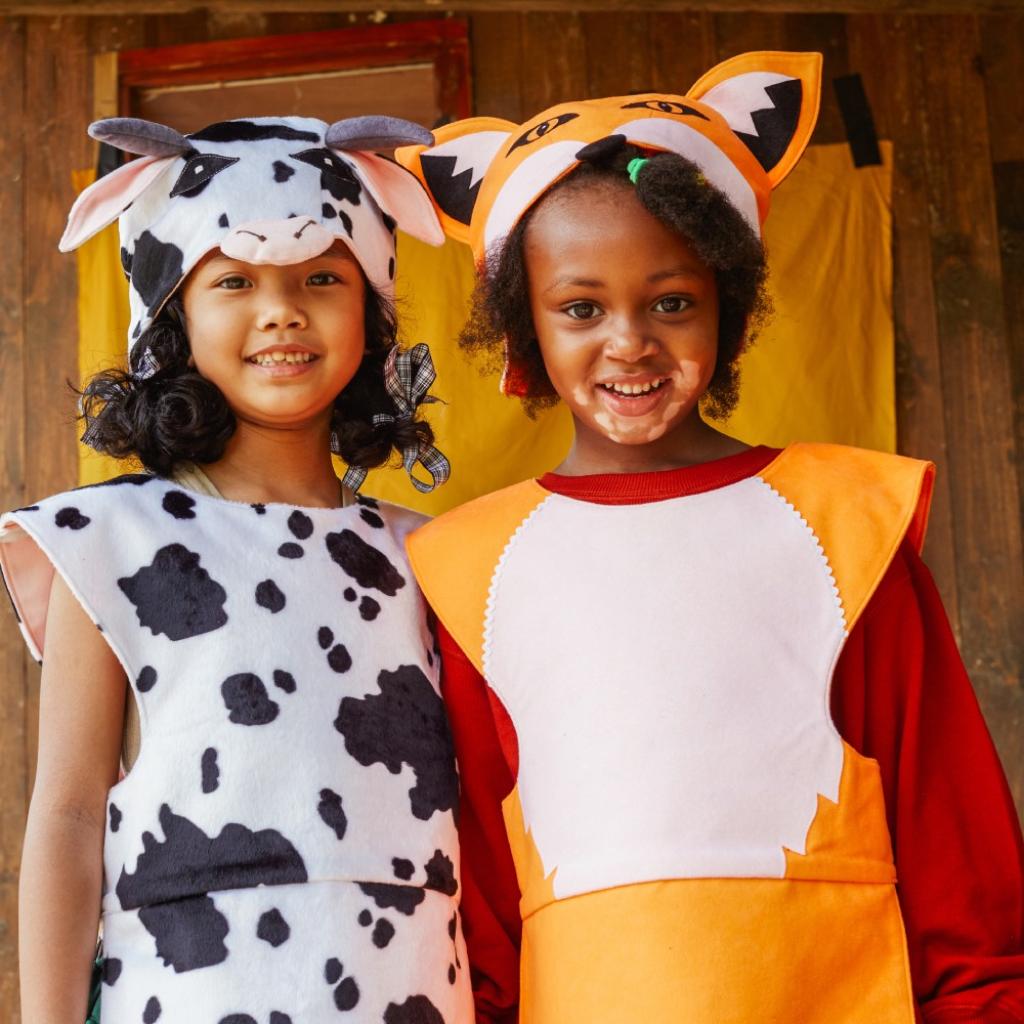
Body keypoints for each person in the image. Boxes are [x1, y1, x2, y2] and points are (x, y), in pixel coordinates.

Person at [393, 53, 1024, 1023]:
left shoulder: (841, 522)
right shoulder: (470, 565)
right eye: (579, 308)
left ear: (726, 304)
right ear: (525, 330)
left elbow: (958, 869)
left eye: (671, 300)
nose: (629, 341)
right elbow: (476, 914)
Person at [1, 114, 474, 1024]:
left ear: (373, 310)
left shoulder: (432, 556)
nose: (282, 309)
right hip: (186, 993)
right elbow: (65, 819)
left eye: (322, 278)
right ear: (172, 314)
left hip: (411, 993)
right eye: (234, 280)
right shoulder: (110, 541)